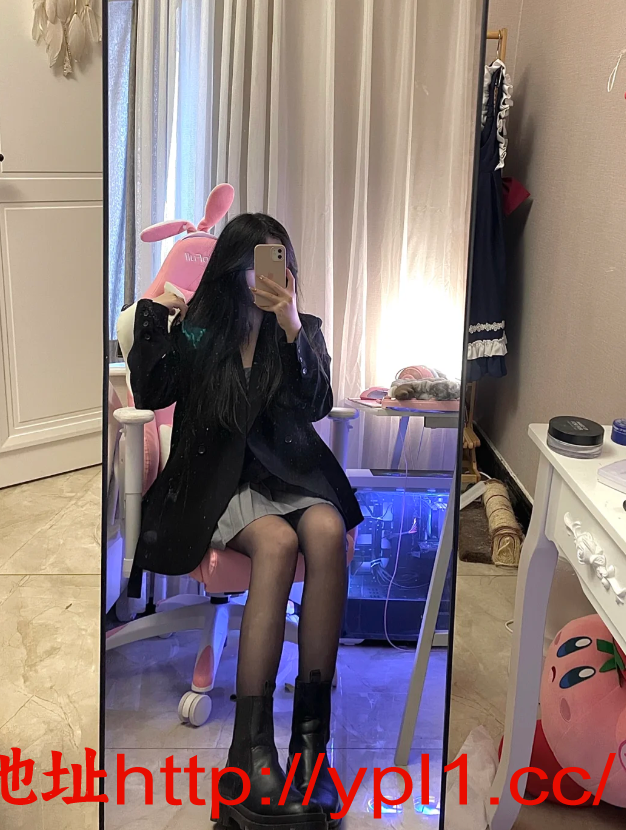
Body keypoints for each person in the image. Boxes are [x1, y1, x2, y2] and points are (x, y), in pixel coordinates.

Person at [127, 213, 363, 829]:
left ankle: (311, 750)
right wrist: (154, 313)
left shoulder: (300, 328)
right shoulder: (200, 331)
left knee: (327, 532)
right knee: (278, 544)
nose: (268, 273)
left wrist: (290, 325)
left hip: (291, 476)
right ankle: (249, 756)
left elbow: (316, 403)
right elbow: (152, 391)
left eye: (278, 259)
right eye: (257, 260)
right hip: (222, 484)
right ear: (233, 268)